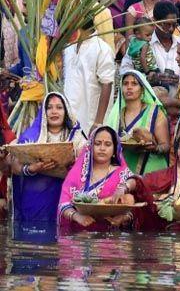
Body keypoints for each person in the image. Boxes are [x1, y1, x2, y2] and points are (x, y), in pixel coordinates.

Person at [6, 92, 86, 233]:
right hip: (35, 200)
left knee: (64, 243)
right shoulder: (30, 137)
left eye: (59, 107)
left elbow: (87, 167)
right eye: (49, 107)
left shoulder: (77, 137)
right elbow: (13, 166)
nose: (54, 111)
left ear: (66, 111)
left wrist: (70, 169)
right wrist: (30, 169)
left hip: (64, 198)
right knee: (33, 240)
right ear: (44, 111)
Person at [57, 126, 134, 233]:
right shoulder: (77, 172)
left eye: (107, 144)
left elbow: (134, 208)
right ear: (90, 146)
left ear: (115, 149)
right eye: (97, 143)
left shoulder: (124, 174)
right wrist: (77, 216)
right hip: (77, 237)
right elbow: (63, 203)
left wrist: (123, 218)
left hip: (110, 239)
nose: (102, 148)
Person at [105, 71, 170, 174]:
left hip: (151, 171)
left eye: (134, 84)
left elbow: (165, 145)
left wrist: (155, 148)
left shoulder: (155, 112)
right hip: (124, 172)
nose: (129, 87)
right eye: (125, 84)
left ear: (142, 89)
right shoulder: (117, 115)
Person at [63, 19, 115, 133]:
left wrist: (98, 122)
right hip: (69, 116)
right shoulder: (69, 46)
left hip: (90, 121)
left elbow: (107, 84)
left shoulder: (102, 49)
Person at [122, 1, 180, 93]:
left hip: (178, 103)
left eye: (174, 25)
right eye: (167, 24)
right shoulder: (138, 44)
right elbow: (124, 71)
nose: (171, 29)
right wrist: (148, 77)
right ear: (155, 21)